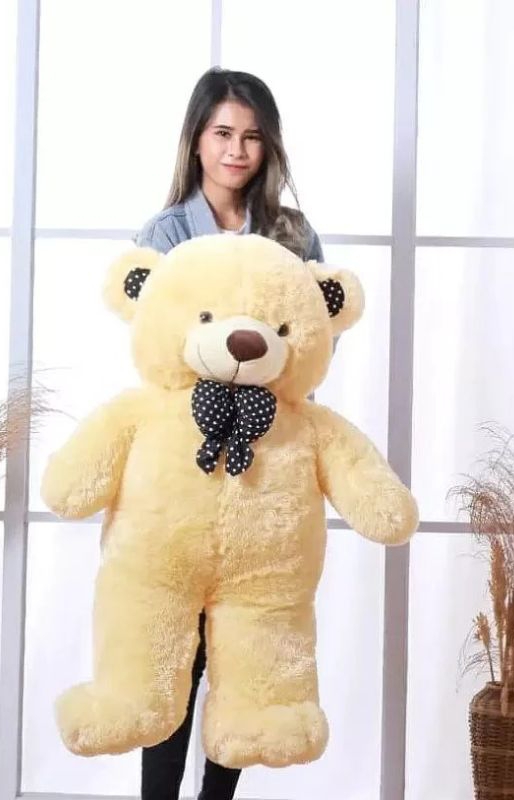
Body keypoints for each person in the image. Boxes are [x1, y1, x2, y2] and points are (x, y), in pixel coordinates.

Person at [135, 67, 324, 800]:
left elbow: (311, 349)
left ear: (268, 145)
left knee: (243, 656)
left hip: (265, 468)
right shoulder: (163, 235)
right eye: (222, 133)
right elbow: (152, 354)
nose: (236, 150)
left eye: (251, 136)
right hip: (183, 471)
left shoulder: (293, 235)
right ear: (196, 140)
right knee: (173, 656)